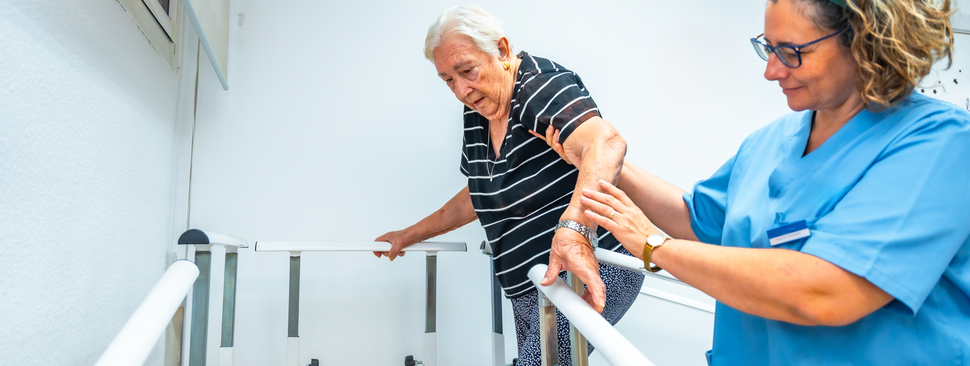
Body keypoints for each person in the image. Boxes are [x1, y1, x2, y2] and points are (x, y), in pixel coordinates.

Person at [538, 0, 969, 364]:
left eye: (792, 52)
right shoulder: (773, 140)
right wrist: (608, 161)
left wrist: (654, 247)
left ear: (864, 42)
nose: (772, 71)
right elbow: (700, 219)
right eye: (769, 49)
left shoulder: (938, 143)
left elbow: (827, 291)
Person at [373, 6, 644, 365]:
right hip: (531, 286)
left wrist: (575, 230)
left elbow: (606, 144)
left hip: (587, 271)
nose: (461, 91)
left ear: (501, 50)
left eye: (466, 71)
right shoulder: (477, 112)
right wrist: (408, 235)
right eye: (448, 81)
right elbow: (480, 193)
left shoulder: (537, 86)